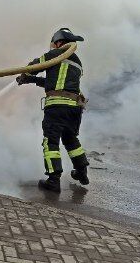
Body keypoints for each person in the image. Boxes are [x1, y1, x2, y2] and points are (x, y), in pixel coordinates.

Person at [17, 27, 89, 193]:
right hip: (74, 109)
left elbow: (34, 66)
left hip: (57, 107)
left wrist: (24, 75)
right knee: (71, 140)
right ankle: (82, 172)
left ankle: (53, 180)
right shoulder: (77, 62)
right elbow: (55, 83)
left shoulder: (54, 55)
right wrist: (32, 81)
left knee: (51, 142)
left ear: (59, 41)